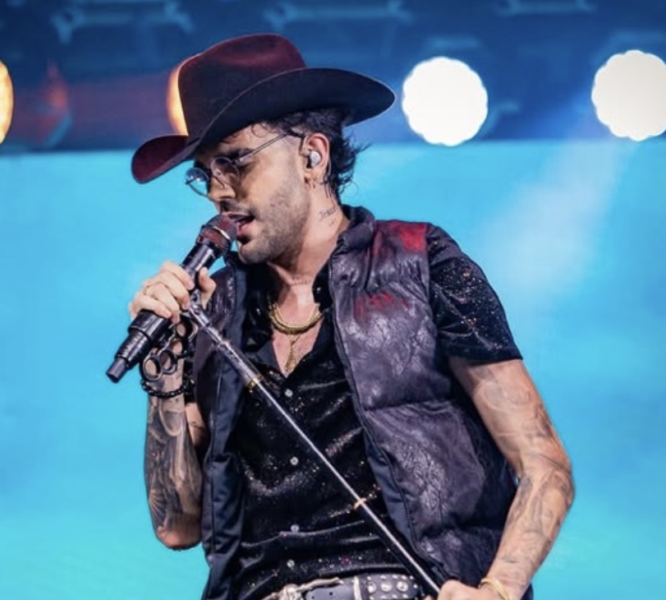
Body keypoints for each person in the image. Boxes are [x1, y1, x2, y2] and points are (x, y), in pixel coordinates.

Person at [126, 33, 574, 600]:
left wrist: (498, 590)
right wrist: (165, 374)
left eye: (235, 162)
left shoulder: (420, 264)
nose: (218, 191)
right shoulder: (212, 312)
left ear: (312, 156)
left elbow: (543, 464)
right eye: (205, 173)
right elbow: (176, 527)